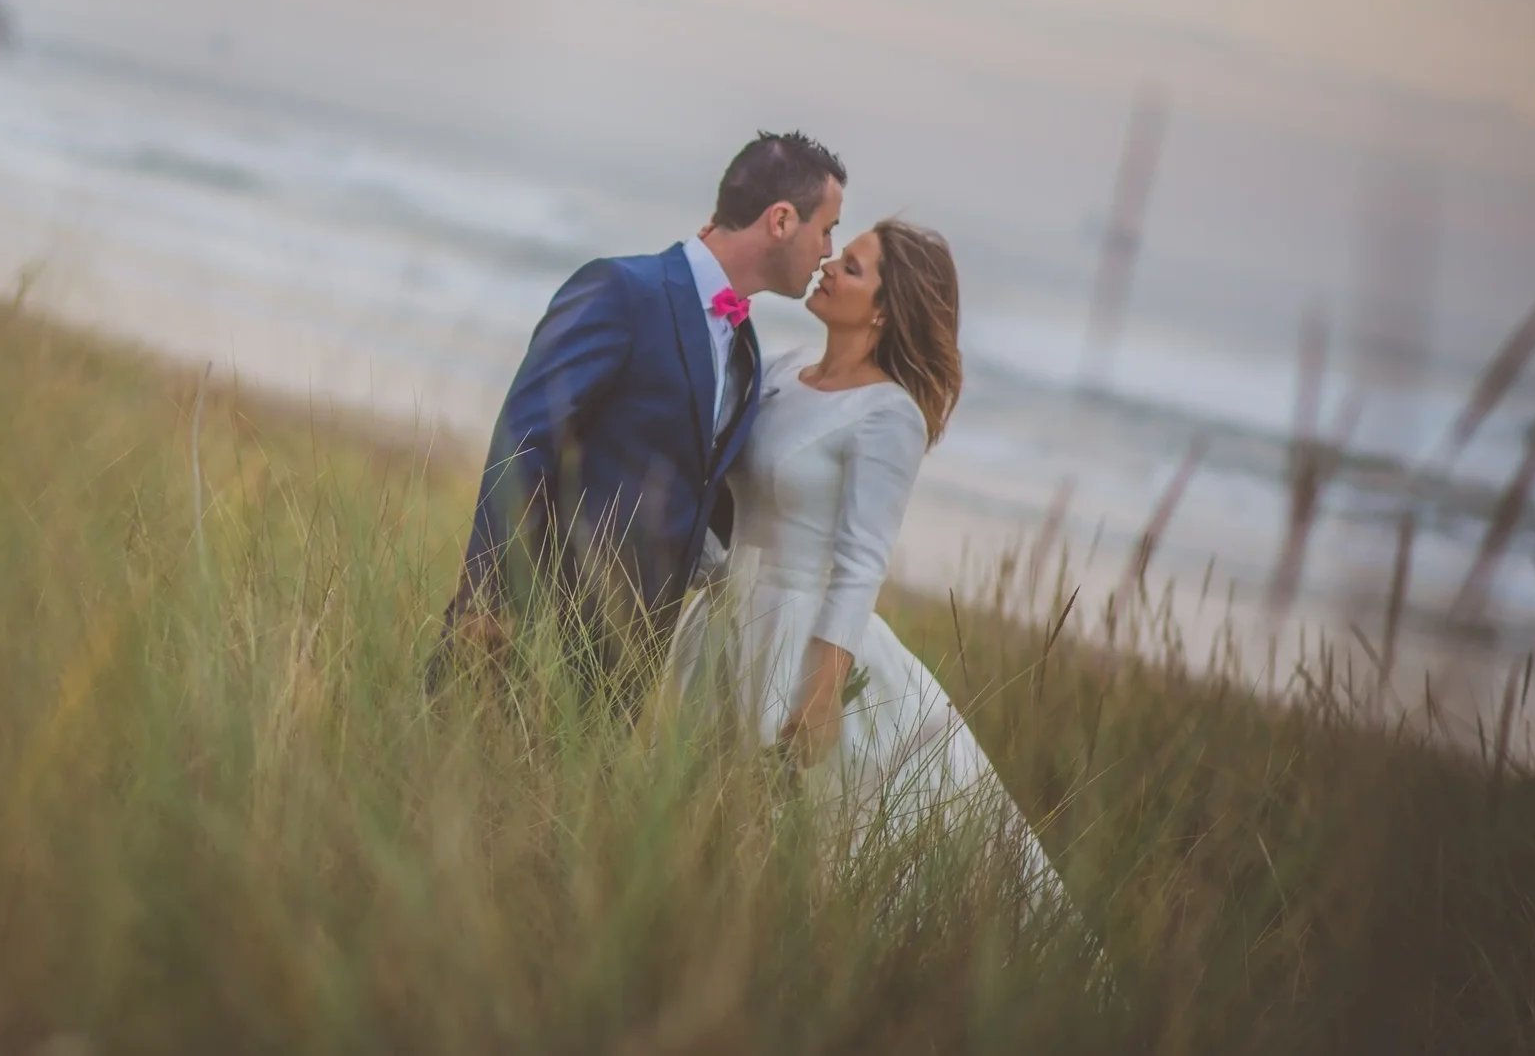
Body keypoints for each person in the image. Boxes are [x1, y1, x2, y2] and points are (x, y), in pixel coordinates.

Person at [664, 219, 1069, 907]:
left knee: (803, 838)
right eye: (838, 254)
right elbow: (726, 481)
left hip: (799, 639)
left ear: (884, 308)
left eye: (850, 266)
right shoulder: (787, 369)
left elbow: (860, 562)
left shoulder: (889, 415)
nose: (826, 265)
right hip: (726, 619)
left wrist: (823, 693)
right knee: (703, 817)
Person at [431, 132, 847, 699]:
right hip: (530, 633)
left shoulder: (745, 347)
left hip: (626, 663)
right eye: (826, 229)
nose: (828, 251)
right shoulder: (622, 291)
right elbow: (524, 443)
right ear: (780, 221)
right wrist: (486, 598)